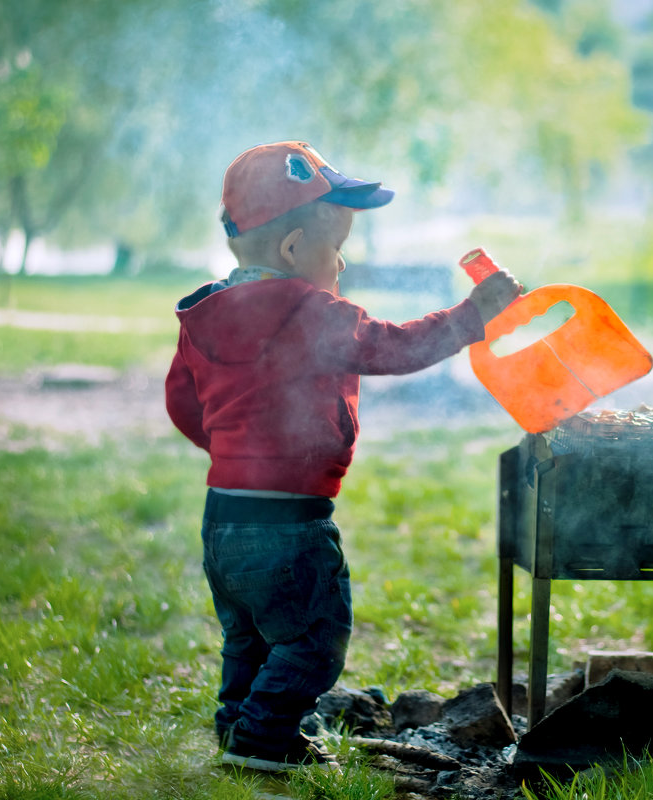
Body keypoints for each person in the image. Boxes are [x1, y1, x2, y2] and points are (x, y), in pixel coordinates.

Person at [165, 141, 522, 772]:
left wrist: (237, 456)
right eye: (337, 249)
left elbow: (182, 404)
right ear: (294, 249)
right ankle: (262, 739)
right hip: (291, 525)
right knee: (314, 638)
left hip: (223, 517)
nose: (343, 265)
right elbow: (394, 348)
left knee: (247, 636)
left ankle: (239, 727)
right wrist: (474, 316)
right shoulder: (311, 309)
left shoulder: (204, 316)